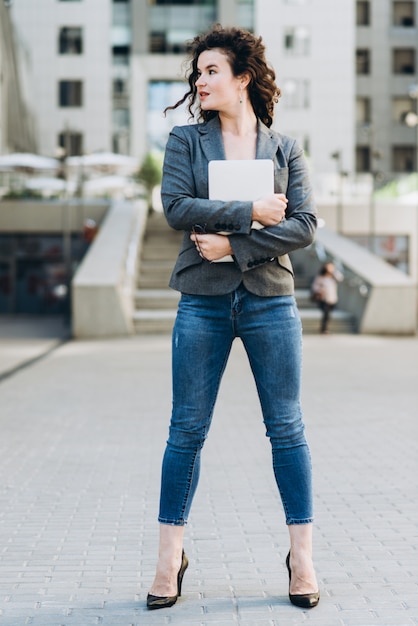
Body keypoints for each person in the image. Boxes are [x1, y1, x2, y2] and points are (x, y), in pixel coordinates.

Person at [147, 24, 319, 611]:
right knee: (186, 430)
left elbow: (303, 225)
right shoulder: (184, 141)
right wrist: (249, 211)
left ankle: (302, 556)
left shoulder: (285, 148)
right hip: (203, 300)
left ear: (242, 77)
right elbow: (175, 207)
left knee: (287, 428)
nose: (200, 80)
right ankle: (170, 557)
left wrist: (232, 244)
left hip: (270, 298)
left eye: (211, 71)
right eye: (197, 73)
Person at [311, 262, 343, 334]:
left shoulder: (333, 277)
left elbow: (340, 278)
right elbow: (315, 286)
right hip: (323, 298)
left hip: (332, 298)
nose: (330, 269)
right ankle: (324, 328)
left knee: (328, 313)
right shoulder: (321, 277)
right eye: (329, 267)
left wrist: (333, 272)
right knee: (326, 313)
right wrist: (320, 290)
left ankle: (323, 326)